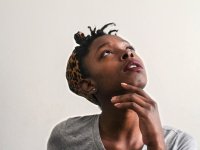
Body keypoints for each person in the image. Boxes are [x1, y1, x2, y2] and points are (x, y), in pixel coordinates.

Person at [47, 23, 197, 150]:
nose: (128, 53)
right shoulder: (67, 138)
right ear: (88, 84)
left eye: (130, 48)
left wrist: (155, 143)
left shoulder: (180, 143)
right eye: (106, 53)